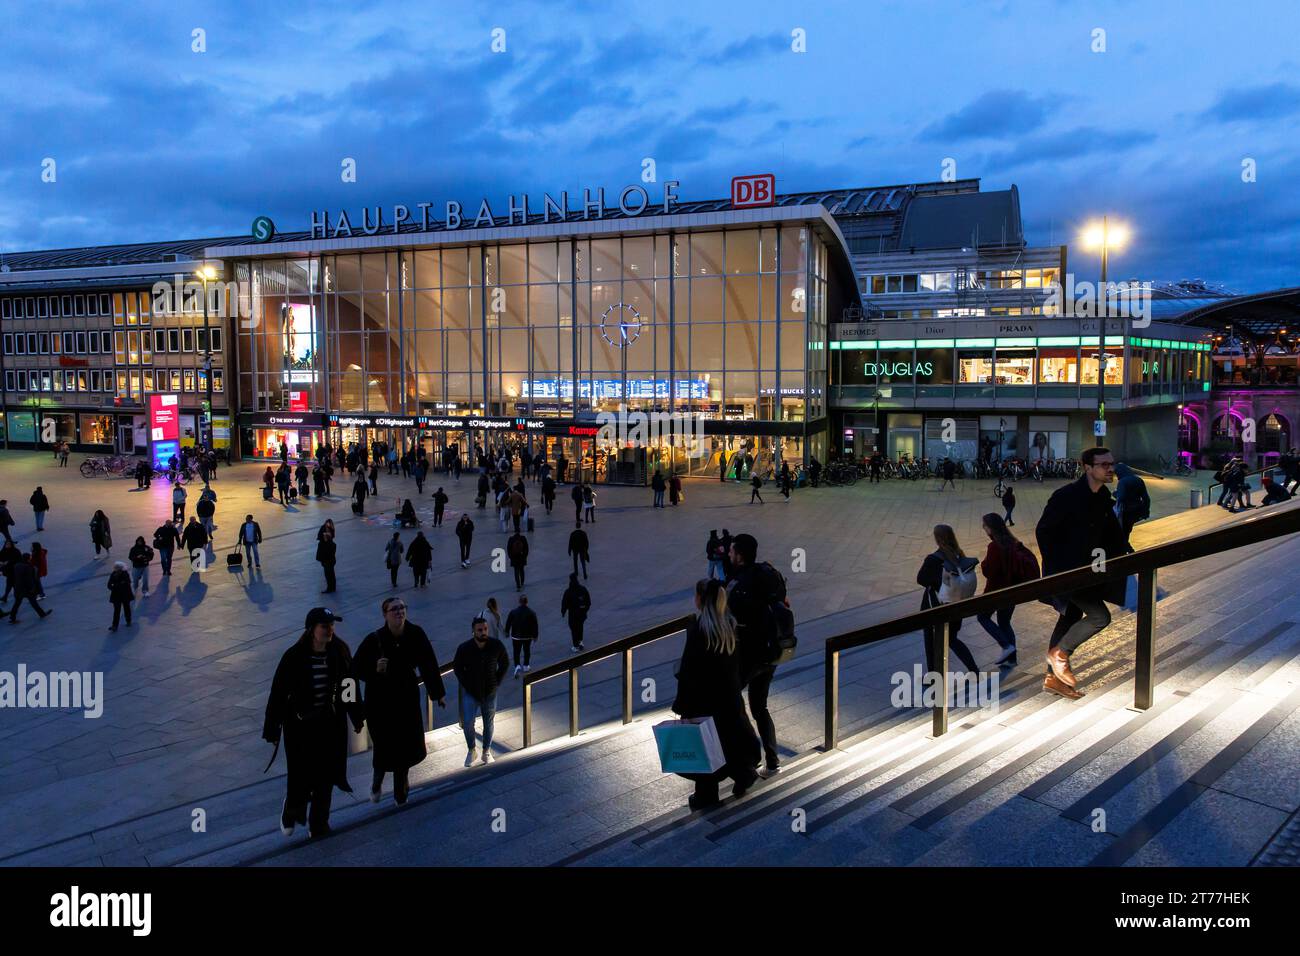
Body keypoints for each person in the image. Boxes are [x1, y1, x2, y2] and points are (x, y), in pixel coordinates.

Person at [1036, 446, 1130, 700]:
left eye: (1112, 463)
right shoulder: (1066, 496)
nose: (1111, 469)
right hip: (1069, 574)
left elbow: (1114, 537)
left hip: (1090, 573)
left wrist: (1132, 559)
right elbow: (1044, 532)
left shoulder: (1102, 498)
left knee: (1069, 619)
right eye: (1104, 465)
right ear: (1087, 467)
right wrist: (1060, 570)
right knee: (1100, 616)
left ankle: (1052, 678)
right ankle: (1060, 654)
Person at [263, 607, 364, 838]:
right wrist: (272, 727)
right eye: (324, 626)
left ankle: (319, 824)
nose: (330, 630)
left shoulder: (339, 652)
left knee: (326, 777)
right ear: (311, 630)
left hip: (330, 726)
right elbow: (278, 693)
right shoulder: (294, 656)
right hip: (300, 728)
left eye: (331, 625)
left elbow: (349, 688)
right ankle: (291, 809)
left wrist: (356, 717)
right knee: (301, 776)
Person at [671, 578, 761, 809]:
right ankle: (744, 774)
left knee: (705, 749)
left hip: (703, 702)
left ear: (700, 600)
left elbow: (688, 672)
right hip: (729, 700)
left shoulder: (698, 629)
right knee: (729, 741)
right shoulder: (730, 625)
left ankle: (706, 797)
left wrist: (682, 707)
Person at [354, 598, 446, 805]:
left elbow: (428, 663)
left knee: (404, 745)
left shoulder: (416, 633)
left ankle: (400, 792)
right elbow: (355, 668)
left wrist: (437, 693)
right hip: (380, 701)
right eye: (393, 609)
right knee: (384, 745)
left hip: (405, 697)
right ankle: (377, 782)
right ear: (384, 614)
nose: (399, 612)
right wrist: (374, 669)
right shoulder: (374, 639)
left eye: (402, 608)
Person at [726, 533, 788, 778]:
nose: (729, 555)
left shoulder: (739, 583)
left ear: (739, 556)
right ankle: (772, 762)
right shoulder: (767, 575)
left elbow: (726, 617)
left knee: (731, 704)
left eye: (731, 552)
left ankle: (746, 762)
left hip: (748, 655)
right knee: (760, 707)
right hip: (771, 652)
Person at [917, 524, 982, 675]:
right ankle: (974, 670)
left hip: (935, 606)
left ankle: (934, 675)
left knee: (931, 641)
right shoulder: (960, 555)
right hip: (956, 605)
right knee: (952, 639)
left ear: (937, 539)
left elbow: (921, 579)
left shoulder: (934, 559)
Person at [453, 617, 509, 766]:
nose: (483, 632)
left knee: (488, 722)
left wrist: (496, 681)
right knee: (467, 722)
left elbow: (505, 662)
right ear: (473, 631)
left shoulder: (496, 645)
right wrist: (466, 683)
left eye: (485, 629)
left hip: (490, 691)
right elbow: (457, 667)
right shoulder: (464, 648)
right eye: (480, 630)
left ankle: (486, 751)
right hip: (471, 692)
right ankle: (472, 749)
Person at [976, 514, 1028, 667]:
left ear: (991, 528)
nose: (983, 528)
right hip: (1012, 590)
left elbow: (990, 571)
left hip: (996, 591)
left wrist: (984, 565)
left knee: (982, 617)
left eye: (984, 525)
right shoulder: (1013, 542)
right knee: (1004, 621)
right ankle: (1012, 658)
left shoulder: (994, 546)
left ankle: (1006, 646)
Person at [8, 553, 51, 624]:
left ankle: (12, 617)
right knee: (33, 603)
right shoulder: (28, 567)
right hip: (27, 589)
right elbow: (29, 579)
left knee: (17, 603)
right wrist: (32, 588)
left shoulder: (16, 565)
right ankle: (42, 614)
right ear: (28, 559)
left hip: (18, 588)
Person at [504, 594, 540, 676]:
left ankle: (517, 665)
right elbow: (535, 625)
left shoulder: (513, 612)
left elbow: (508, 622)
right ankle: (526, 665)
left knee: (516, 651)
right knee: (527, 650)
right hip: (527, 636)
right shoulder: (532, 613)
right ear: (527, 602)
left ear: (519, 602)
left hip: (516, 636)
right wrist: (535, 635)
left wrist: (507, 632)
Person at [1113, 462, 1151, 538]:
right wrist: (1146, 511)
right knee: (1127, 530)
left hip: (1126, 511)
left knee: (1122, 532)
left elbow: (1121, 497)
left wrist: (1114, 494)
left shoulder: (1122, 482)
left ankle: (1127, 547)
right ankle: (1127, 546)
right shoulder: (1138, 479)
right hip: (1136, 510)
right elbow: (1146, 498)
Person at [560, 573, 591, 652]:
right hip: (581, 613)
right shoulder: (583, 589)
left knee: (573, 628)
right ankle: (580, 641)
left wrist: (563, 611)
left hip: (573, 614)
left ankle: (575, 645)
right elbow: (588, 601)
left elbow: (565, 602)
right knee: (580, 626)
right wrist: (585, 610)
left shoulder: (568, 591)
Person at [107, 560, 134, 631]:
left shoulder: (125, 574)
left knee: (126, 608)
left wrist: (115, 586)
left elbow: (126, 583)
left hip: (124, 595)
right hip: (117, 595)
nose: (116, 568)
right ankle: (115, 625)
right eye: (115, 567)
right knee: (117, 611)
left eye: (117, 567)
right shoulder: (113, 574)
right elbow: (109, 584)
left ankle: (128, 621)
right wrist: (116, 586)